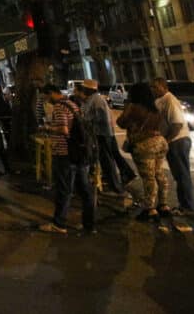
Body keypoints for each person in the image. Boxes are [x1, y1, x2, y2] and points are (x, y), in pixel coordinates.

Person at [39, 84, 95, 235]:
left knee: (64, 189)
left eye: (45, 97)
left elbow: (64, 130)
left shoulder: (59, 107)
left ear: (51, 93)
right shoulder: (73, 104)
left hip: (65, 153)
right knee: (84, 189)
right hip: (79, 153)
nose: (46, 100)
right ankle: (89, 224)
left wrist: (47, 128)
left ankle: (59, 224)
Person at [117, 83, 169, 221]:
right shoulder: (155, 108)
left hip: (144, 144)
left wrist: (127, 107)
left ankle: (150, 209)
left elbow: (121, 122)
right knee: (159, 174)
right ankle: (163, 205)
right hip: (160, 142)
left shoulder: (134, 107)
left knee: (148, 177)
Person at [78, 79, 136, 195]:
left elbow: (95, 118)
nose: (82, 90)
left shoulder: (96, 100)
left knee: (107, 161)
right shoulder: (93, 99)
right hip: (104, 133)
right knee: (112, 157)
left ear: (89, 89)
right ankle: (125, 176)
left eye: (84, 88)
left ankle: (115, 188)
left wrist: (83, 120)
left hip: (102, 134)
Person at [152, 77, 194, 216]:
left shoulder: (170, 100)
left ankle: (189, 207)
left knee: (182, 175)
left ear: (164, 87)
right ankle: (184, 205)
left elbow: (177, 124)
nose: (153, 90)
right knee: (179, 175)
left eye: (155, 87)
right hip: (173, 142)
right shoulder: (160, 100)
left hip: (178, 141)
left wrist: (166, 141)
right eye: (152, 87)